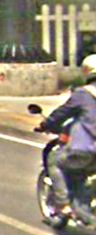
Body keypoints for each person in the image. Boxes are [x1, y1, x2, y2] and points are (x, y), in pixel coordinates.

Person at [38, 54, 96, 215]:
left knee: (54, 161)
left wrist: (45, 124)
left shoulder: (83, 94)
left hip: (87, 149)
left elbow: (61, 113)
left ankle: (63, 204)